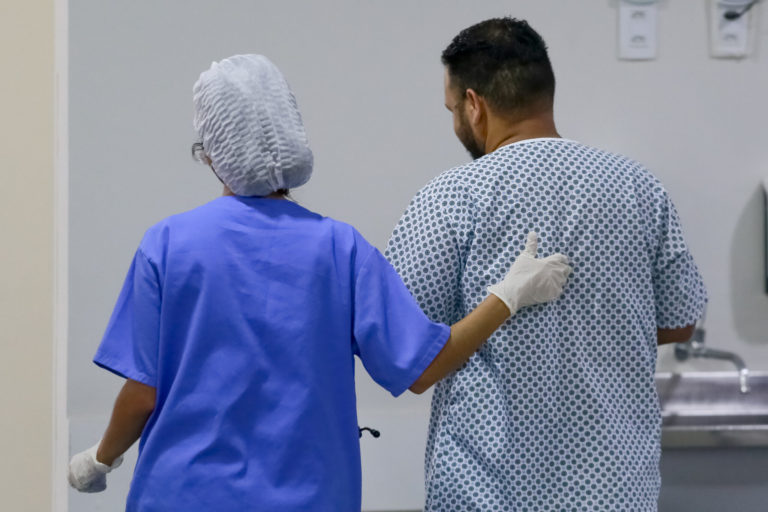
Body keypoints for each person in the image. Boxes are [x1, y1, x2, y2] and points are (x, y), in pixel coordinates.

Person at [67, 54, 572, 511]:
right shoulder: (340, 248)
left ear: (211, 151)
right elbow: (422, 368)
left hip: (183, 496)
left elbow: (143, 395)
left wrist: (101, 460)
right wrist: (507, 297)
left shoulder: (169, 244)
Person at [385, 18, 707, 512]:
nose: (456, 123)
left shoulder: (452, 198)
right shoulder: (639, 188)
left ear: (475, 105)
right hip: (615, 490)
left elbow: (410, 355)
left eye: (453, 109)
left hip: (490, 491)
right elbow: (680, 323)